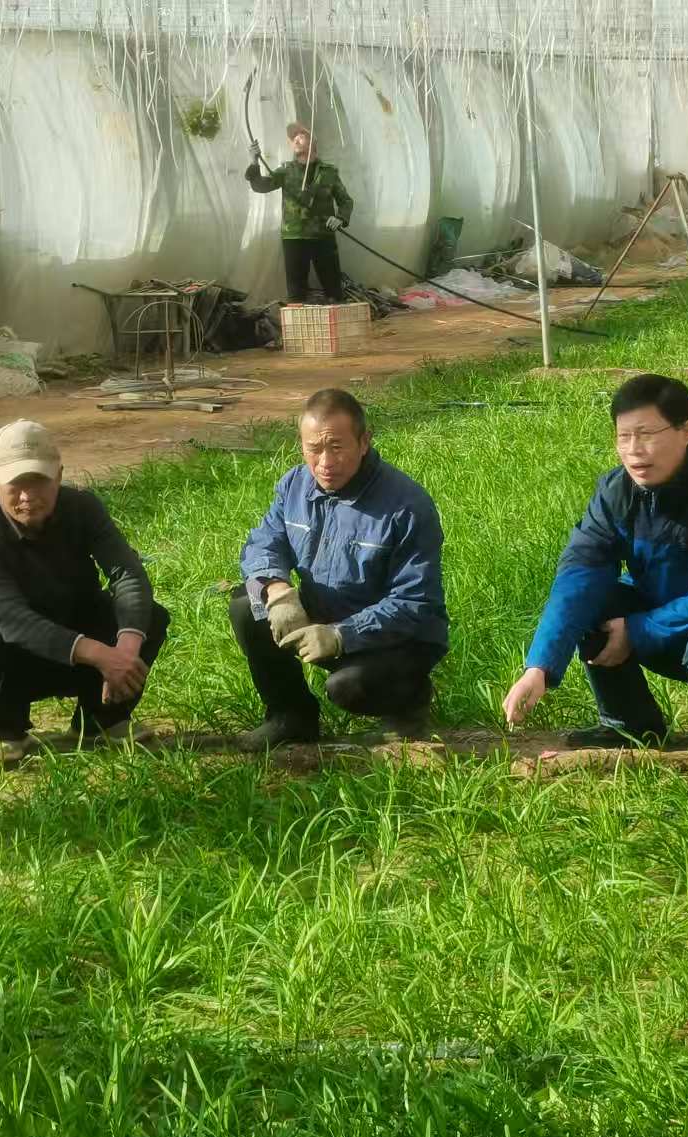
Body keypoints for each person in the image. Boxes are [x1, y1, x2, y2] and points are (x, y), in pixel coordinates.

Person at [502, 374, 688, 759]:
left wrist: (638, 630)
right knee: (593, 606)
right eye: (623, 437)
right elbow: (580, 575)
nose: (634, 450)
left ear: (686, 431)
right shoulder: (616, 493)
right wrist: (539, 667)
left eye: (646, 434)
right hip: (656, 619)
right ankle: (629, 724)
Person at [0, 420, 170, 766]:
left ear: (59, 476)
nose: (27, 497)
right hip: (11, 655)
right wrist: (101, 655)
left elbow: (128, 575)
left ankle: (102, 718)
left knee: (148, 617)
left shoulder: (84, 508)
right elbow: (12, 620)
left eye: (38, 482)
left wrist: (125, 650)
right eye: (16, 485)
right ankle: (5, 727)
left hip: (76, 623)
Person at [231, 388, 447, 748]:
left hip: (395, 639)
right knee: (246, 606)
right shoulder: (294, 486)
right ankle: (290, 716)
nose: (325, 462)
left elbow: (416, 603)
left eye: (336, 447)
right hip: (323, 614)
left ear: (364, 442)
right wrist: (278, 590)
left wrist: (341, 634)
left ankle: (410, 706)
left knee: (347, 687)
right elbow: (262, 543)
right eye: (314, 449)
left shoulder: (406, 506)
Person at [245, 123, 355, 304]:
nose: (295, 140)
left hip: (323, 236)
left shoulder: (329, 172)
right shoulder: (285, 171)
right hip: (294, 237)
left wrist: (340, 218)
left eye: (301, 136)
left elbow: (346, 201)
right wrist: (254, 161)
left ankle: (337, 318)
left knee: (334, 291)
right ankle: (298, 321)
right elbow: (260, 186)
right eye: (292, 138)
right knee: (296, 295)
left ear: (313, 142)